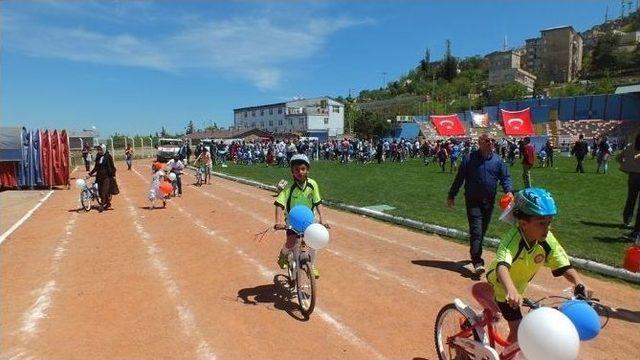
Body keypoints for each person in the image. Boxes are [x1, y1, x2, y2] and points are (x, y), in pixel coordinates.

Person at [478, 187, 592, 343]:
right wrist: (510, 290)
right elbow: (502, 267)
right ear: (524, 224)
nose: (547, 228)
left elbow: (563, 263)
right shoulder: (511, 241)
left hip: (519, 287)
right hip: (502, 286)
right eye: (541, 223)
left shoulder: (546, 239)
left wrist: (579, 282)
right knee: (518, 330)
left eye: (549, 223)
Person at [448, 133, 513, 274]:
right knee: (476, 231)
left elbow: (505, 177)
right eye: (488, 140)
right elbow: (459, 179)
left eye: (492, 140)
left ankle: (474, 252)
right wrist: (452, 195)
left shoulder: (497, 161)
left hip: (488, 203)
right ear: (480, 142)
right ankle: (477, 261)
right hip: (473, 201)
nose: (491, 143)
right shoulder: (469, 159)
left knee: (481, 232)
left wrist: (509, 191)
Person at [273, 154, 328, 279]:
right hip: (292, 219)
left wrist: (322, 220)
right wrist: (278, 222)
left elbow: (318, 202)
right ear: (292, 172)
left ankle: (312, 266)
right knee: (291, 242)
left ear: (308, 170)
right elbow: (278, 204)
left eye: (303, 169)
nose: (300, 172)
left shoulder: (312, 184)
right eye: (296, 170)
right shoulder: (288, 188)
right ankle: (283, 254)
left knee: (313, 241)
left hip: (309, 218)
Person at [617, 132, 640, 240]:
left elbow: (619, 157)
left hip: (633, 175)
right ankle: (637, 228)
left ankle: (627, 220)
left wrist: (626, 165)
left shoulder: (631, 146)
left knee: (631, 199)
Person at [87, 144, 118, 212]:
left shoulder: (108, 157)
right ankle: (107, 203)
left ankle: (101, 205)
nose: (99, 151)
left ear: (104, 149)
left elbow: (112, 167)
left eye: (100, 150)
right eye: (98, 150)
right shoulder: (98, 156)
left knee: (104, 191)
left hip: (107, 177)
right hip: (99, 177)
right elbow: (96, 167)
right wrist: (90, 174)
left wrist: (113, 175)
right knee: (100, 192)